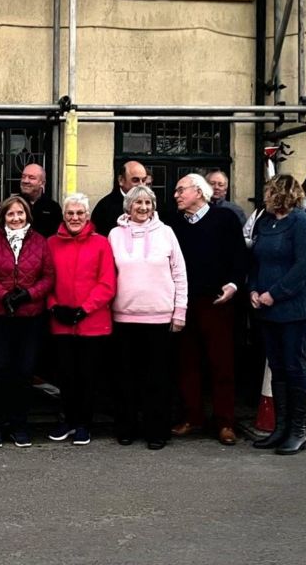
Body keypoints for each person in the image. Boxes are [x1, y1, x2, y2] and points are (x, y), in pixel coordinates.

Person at [168, 174, 247, 446]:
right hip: (184, 302)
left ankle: (225, 422)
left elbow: (240, 257)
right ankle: (193, 417)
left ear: (199, 192)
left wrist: (234, 285)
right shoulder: (174, 223)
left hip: (216, 302)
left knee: (221, 362)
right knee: (186, 361)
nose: (176, 195)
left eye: (181, 190)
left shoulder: (225, 220)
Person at [107, 186, 188, 450]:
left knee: (158, 380)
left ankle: (157, 431)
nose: (143, 207)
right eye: (137, 202)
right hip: (124, 318)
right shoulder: (115, 235)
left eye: (148, 203)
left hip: (160, 318)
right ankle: (126, 428)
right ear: (128, 206)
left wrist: (180, 311)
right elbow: (108, 275)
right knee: (125, 378)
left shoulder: (166, 233)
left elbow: (179, 273)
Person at [0, 195, 55, 448]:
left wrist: (28, 294)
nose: (16, 218)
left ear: (27, 216)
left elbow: (49, 276)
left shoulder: (40, 242)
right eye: (11, 214)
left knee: (24, 371)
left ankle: (19, 424)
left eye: (20, 213)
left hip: (29, 318)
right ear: (3, 217)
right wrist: (3, 294)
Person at [249, 175, 306, 455]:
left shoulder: (303, 223)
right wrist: (254, 289)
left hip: (296, 309)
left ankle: (297, 430)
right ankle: (280, 428)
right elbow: (255, 259)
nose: (264, 196)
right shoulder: (265, 222)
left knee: (294, 366)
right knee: (277, 366)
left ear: (280, 193)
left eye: (268, 192)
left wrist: (274, 294)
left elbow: (303, 267)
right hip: (267, 307)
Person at [46, 193, 116, 446]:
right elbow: (45, 279)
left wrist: (84, 309)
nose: (75, 218)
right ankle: (67, 420)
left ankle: (84, 424)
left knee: (88, 376)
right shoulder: (51, 243)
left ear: (87, 216)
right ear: (63, 216)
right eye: (70, 213)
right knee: (65, 376)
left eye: (79, 213)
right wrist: (54, 307)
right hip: (61, 322)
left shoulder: (101, 243)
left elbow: (107, 283)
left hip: (92, 322)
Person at [90, 161, 150, 236]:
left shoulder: (154, 205)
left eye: (144, 180)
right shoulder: (104, 207)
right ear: (121, 180)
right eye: (135, 180)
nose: (141, 185)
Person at [19, 163, 62, 237]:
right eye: (23, 177)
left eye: (31, 178)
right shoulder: (13, 204)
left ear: (42, 183)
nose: (25, 181)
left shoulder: (53, 207)